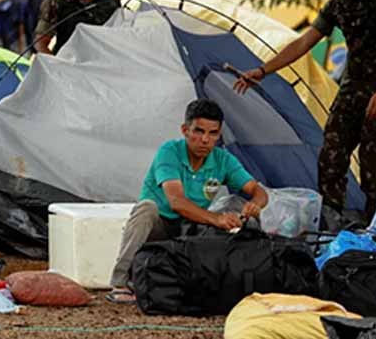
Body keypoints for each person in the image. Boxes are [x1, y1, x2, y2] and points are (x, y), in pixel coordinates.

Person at [233, 0, 376, 221]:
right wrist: (263, 70)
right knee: (331, 155)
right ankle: (332, 219)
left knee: (373, 163)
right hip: (352, 89)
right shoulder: (337, 5)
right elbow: (303, 43)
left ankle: (375, 224)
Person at [106, 99, 268, 304]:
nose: (205, 140)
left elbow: (258, 190)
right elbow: (177, 202)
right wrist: (217, 219)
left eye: (213, 134)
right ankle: (120, 282)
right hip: (160, 227)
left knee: (237, 206)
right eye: (198, 131)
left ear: (219, 135)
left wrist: (254, 205)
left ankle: (239, 280)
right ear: (185, 130)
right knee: (147, 208)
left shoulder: (222, 159)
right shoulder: (170, 151)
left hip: (192, 228)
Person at [33, 0, 120, 54]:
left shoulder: (111, 1)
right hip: (66, 64)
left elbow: (119, 41)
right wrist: (57, 67)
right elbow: (40, 43)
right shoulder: (58, 0)